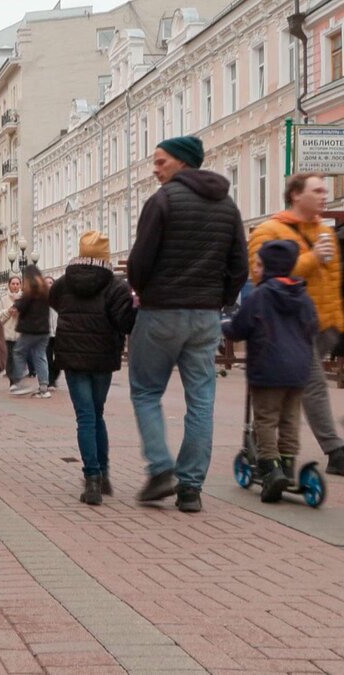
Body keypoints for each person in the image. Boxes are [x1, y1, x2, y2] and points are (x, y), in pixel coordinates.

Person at [127, 135, 248, 513]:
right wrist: (220, 300)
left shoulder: (162, 201)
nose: (155, 168)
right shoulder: (228, 206)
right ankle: (191, 488)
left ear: (181, 162)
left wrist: (145, 290)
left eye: (161, 161)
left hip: (161, 312)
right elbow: (240, 266)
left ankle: (161, 469)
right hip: (206, 316)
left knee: (147, 391)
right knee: (202, 400)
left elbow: (138, 263)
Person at [247, 173, 344, 476]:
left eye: (325, 190)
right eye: (317, 190)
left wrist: (338, 323)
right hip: (290, 327)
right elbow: (263, 277)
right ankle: (335, 451)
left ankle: (264, 443)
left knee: (291, 391)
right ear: (296, 195)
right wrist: (312, 258)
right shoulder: (269, 230)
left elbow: (332, 281)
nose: (324, 195)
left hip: (325, 326)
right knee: (312, 385)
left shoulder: (324, 232)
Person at [222, 240, 319, 502]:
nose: (255, 266)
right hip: (299, 371)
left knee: (265, 419)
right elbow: (313, 325)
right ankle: (287, 465)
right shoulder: (303, 294)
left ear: (269, 267)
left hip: (267, 369)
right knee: (289, 419)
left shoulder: (260, 296)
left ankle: (270, 468)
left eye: (258, 263)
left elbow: (240, 328)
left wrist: (224, 326)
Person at [50, 232, 137, 506]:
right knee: (97, 414)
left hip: (73, 359)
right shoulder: (115, 286)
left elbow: (54, 301)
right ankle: (104, 472)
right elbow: (126, 323)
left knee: (85, 417)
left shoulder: (64, 283)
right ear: (106, 256)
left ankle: (92, 480)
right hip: (102, 360)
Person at [9, 266, 52, 399]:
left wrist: (15, 307)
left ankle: (19, 383)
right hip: (44, 330)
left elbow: (22, 304)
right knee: (40, 356)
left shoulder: (31, 290)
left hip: (31, 330)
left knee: (18, 352)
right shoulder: (45, 291)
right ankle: (44, 388)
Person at [0, 275, 22, 387]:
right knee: (9, 358)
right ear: (9, 285)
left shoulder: (25, 298)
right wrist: (8, 311)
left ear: (20, 285)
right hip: (7, 334)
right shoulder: (3, 299)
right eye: (13, 284)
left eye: (17, 284)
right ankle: (13, 382)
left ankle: (17, 379)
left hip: (21, 334)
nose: (15, 286)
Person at [44, 275, 59, 390]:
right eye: (47, 283)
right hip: (46, 333)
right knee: (48, 357)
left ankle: (55, 375)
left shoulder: (60, 298)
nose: (49, 284)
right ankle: (50, 381)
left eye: (51, 282)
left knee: (60, 358)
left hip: (59, 332)